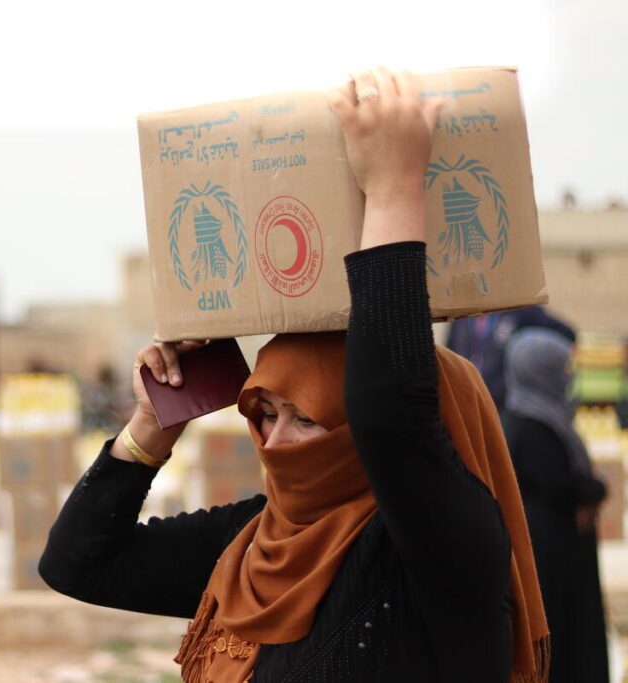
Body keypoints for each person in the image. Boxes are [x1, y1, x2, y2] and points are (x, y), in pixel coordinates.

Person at [39, 68, 549, 682]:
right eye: (265, 414)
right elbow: (78, 564)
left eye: (306, 419)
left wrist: (391, 190)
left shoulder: (436, 547)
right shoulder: (257, 544)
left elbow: (391, 417)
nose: (275, 443)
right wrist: (151, 427)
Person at [503, 328, 609, 683]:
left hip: (558, 549)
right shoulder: (531, 425)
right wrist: (596, 487)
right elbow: (556, 484)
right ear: (540, 371)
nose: (568, 378)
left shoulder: (540, 418)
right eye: (561, 369)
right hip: (550, 553)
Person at [446, 306, 576, 410]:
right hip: (468, 404)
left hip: (504, 405)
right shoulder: (460, 316)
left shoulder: (518, 310)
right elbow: (450, 353)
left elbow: (566, 333)